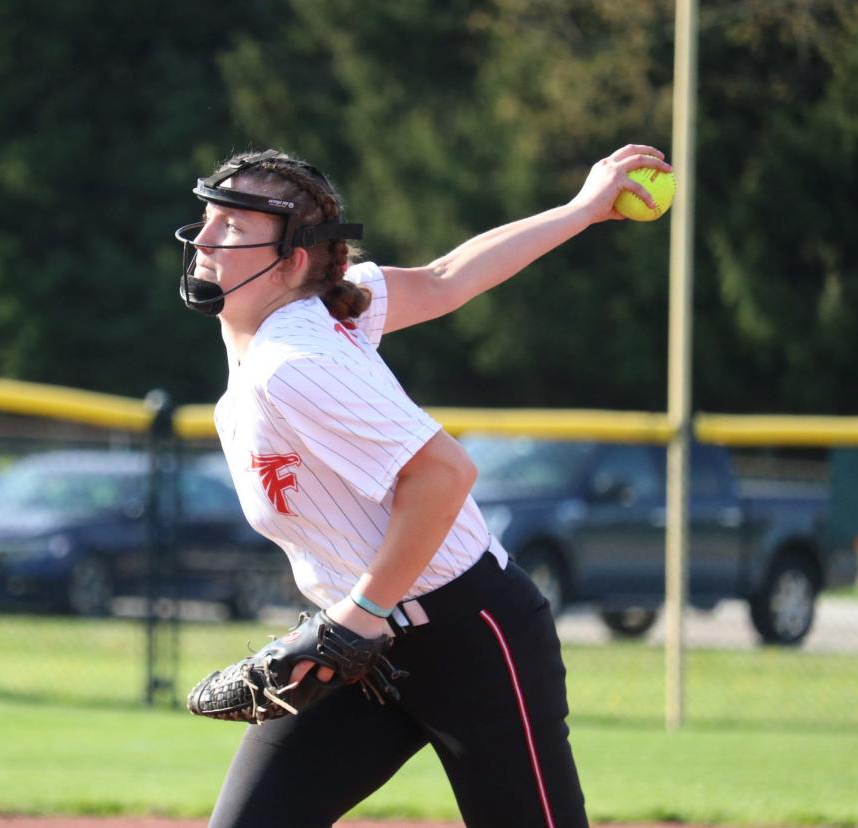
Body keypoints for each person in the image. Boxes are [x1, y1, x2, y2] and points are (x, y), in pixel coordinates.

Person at [174, 145, 671, 828]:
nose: (203, 238)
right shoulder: (313, 318)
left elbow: (444, 475)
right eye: (207, 217)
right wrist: (581, 211)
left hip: (471, 637)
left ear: (290, 264)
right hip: (361, 652)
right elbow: (444, 279)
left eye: (232, 226)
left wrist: (359, 616)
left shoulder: (292, 362)